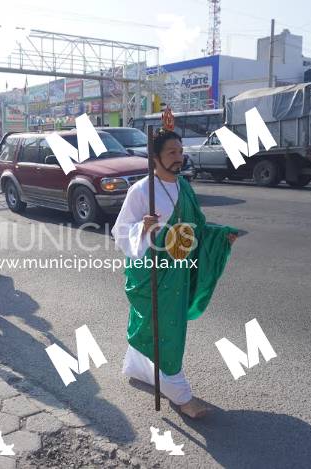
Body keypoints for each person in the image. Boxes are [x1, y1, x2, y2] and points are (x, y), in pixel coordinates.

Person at [111, 129, 238, 419]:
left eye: (180, 152)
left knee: (157, 327)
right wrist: (142, 228)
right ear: (154, 158)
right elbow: (121, 233)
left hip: (178, 270)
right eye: (171, 153)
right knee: (168, 331)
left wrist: (220, 239)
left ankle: (138, 368)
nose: (179, 158)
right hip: (152, 272)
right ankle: (182, 397)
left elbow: (197, 227)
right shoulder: (142, 190)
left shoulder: (185, 187)